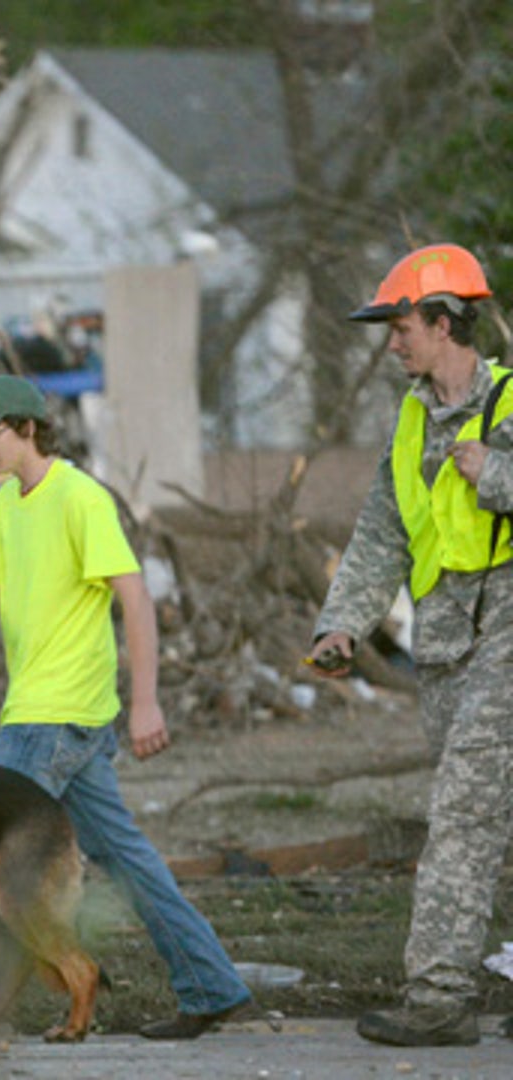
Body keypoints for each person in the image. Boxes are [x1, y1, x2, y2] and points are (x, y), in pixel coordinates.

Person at [0, 374, 254, 1042]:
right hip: (47, 719)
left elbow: (133, 597)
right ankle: (211, 984)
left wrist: (144, 703)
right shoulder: (4, 507)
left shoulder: (80, 498)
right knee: (124, 858)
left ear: (27, 429)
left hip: (54, 718)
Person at [308, 242, 512, 1048]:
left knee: (462, 811)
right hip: (444, 650)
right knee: (493, 814)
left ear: (444, 321)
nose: (393, 341)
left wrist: (492, 475)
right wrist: (342, 622)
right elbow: (380, 532)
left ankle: (439, 996)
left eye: (402, 326)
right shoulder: (411, 420)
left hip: (507, 634)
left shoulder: (508, 404)